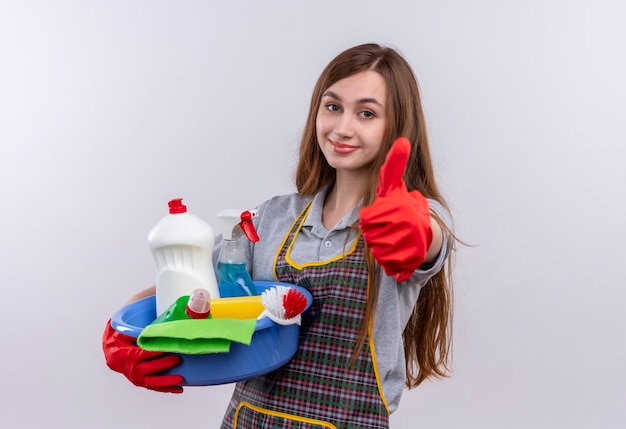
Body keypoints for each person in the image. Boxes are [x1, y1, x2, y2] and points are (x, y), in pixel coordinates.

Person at [102, 43, 456, 428]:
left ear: (397, 127)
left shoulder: (404, 222)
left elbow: (429, 243)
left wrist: (415, 232)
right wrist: (120, 330)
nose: (342, 128)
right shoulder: (271, 218)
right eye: (332, 106)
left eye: (366, 113)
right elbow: (186, 287)